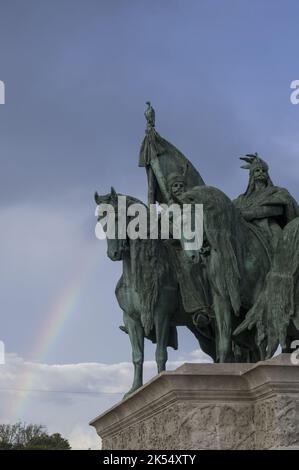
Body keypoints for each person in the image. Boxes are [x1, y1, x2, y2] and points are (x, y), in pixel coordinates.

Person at [234, 153, 299, 253]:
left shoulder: (277, 191)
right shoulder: (240, 199)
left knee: (281, 249)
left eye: (263, 171)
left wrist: (252, 214)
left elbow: (278, 209)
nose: (261, 172)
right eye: (257, 171)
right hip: (244, 230)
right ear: (252, 175)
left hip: (269, 229)